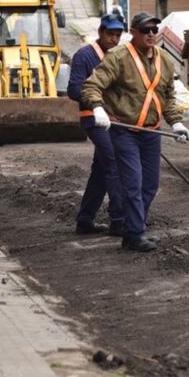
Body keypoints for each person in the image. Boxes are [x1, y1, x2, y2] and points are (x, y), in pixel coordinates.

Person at [81, 12, 189, 252]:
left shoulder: (164, 60)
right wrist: (97, 108)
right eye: (145, 30)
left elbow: (168, 96)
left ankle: (133, 229)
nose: (151, 34)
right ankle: (135, 234)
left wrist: (176, 122)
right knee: (132, 183)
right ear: (134, 32)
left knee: (149, 185)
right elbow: (92, 85)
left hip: (151, 133)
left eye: (154, 29)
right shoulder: (118, 58)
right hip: (125, 131)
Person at [68, 14, 126, 236]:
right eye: (110, 34)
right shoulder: (84, 56)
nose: (113, 38)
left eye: (117, 35)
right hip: (93, 119)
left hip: (115, 121)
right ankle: (119, 220)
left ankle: (85, 221)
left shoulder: (119, 56)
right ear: (100, 32)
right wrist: (97, 104)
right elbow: (74, 90)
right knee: (114, 162)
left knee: (101, 171)